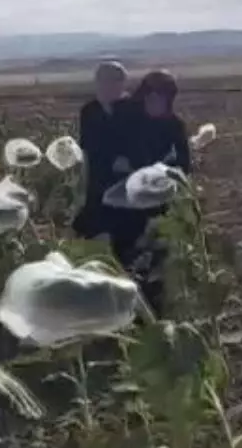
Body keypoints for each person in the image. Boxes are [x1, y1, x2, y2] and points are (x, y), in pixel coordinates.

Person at [102, 69, 191, 317]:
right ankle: (127, 313)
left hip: (156, 204)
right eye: (153, 97)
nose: (157, 104)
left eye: (163, 99)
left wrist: (164, 173)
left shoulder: (174, 125)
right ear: (144, 95)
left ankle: (155, 315)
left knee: (156, 262)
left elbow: (184, 163)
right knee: (125, 260)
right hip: (124, 204)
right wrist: (119, 164)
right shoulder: (123, 116)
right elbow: (105, 151)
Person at [72, 61, 129, 239]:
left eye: (114, 81)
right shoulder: (89, 111)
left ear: (121, 84)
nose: (108, 87)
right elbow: (88, 148)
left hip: (126, 176)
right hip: (99, 176)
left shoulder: (133, 109)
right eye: (104, 81)